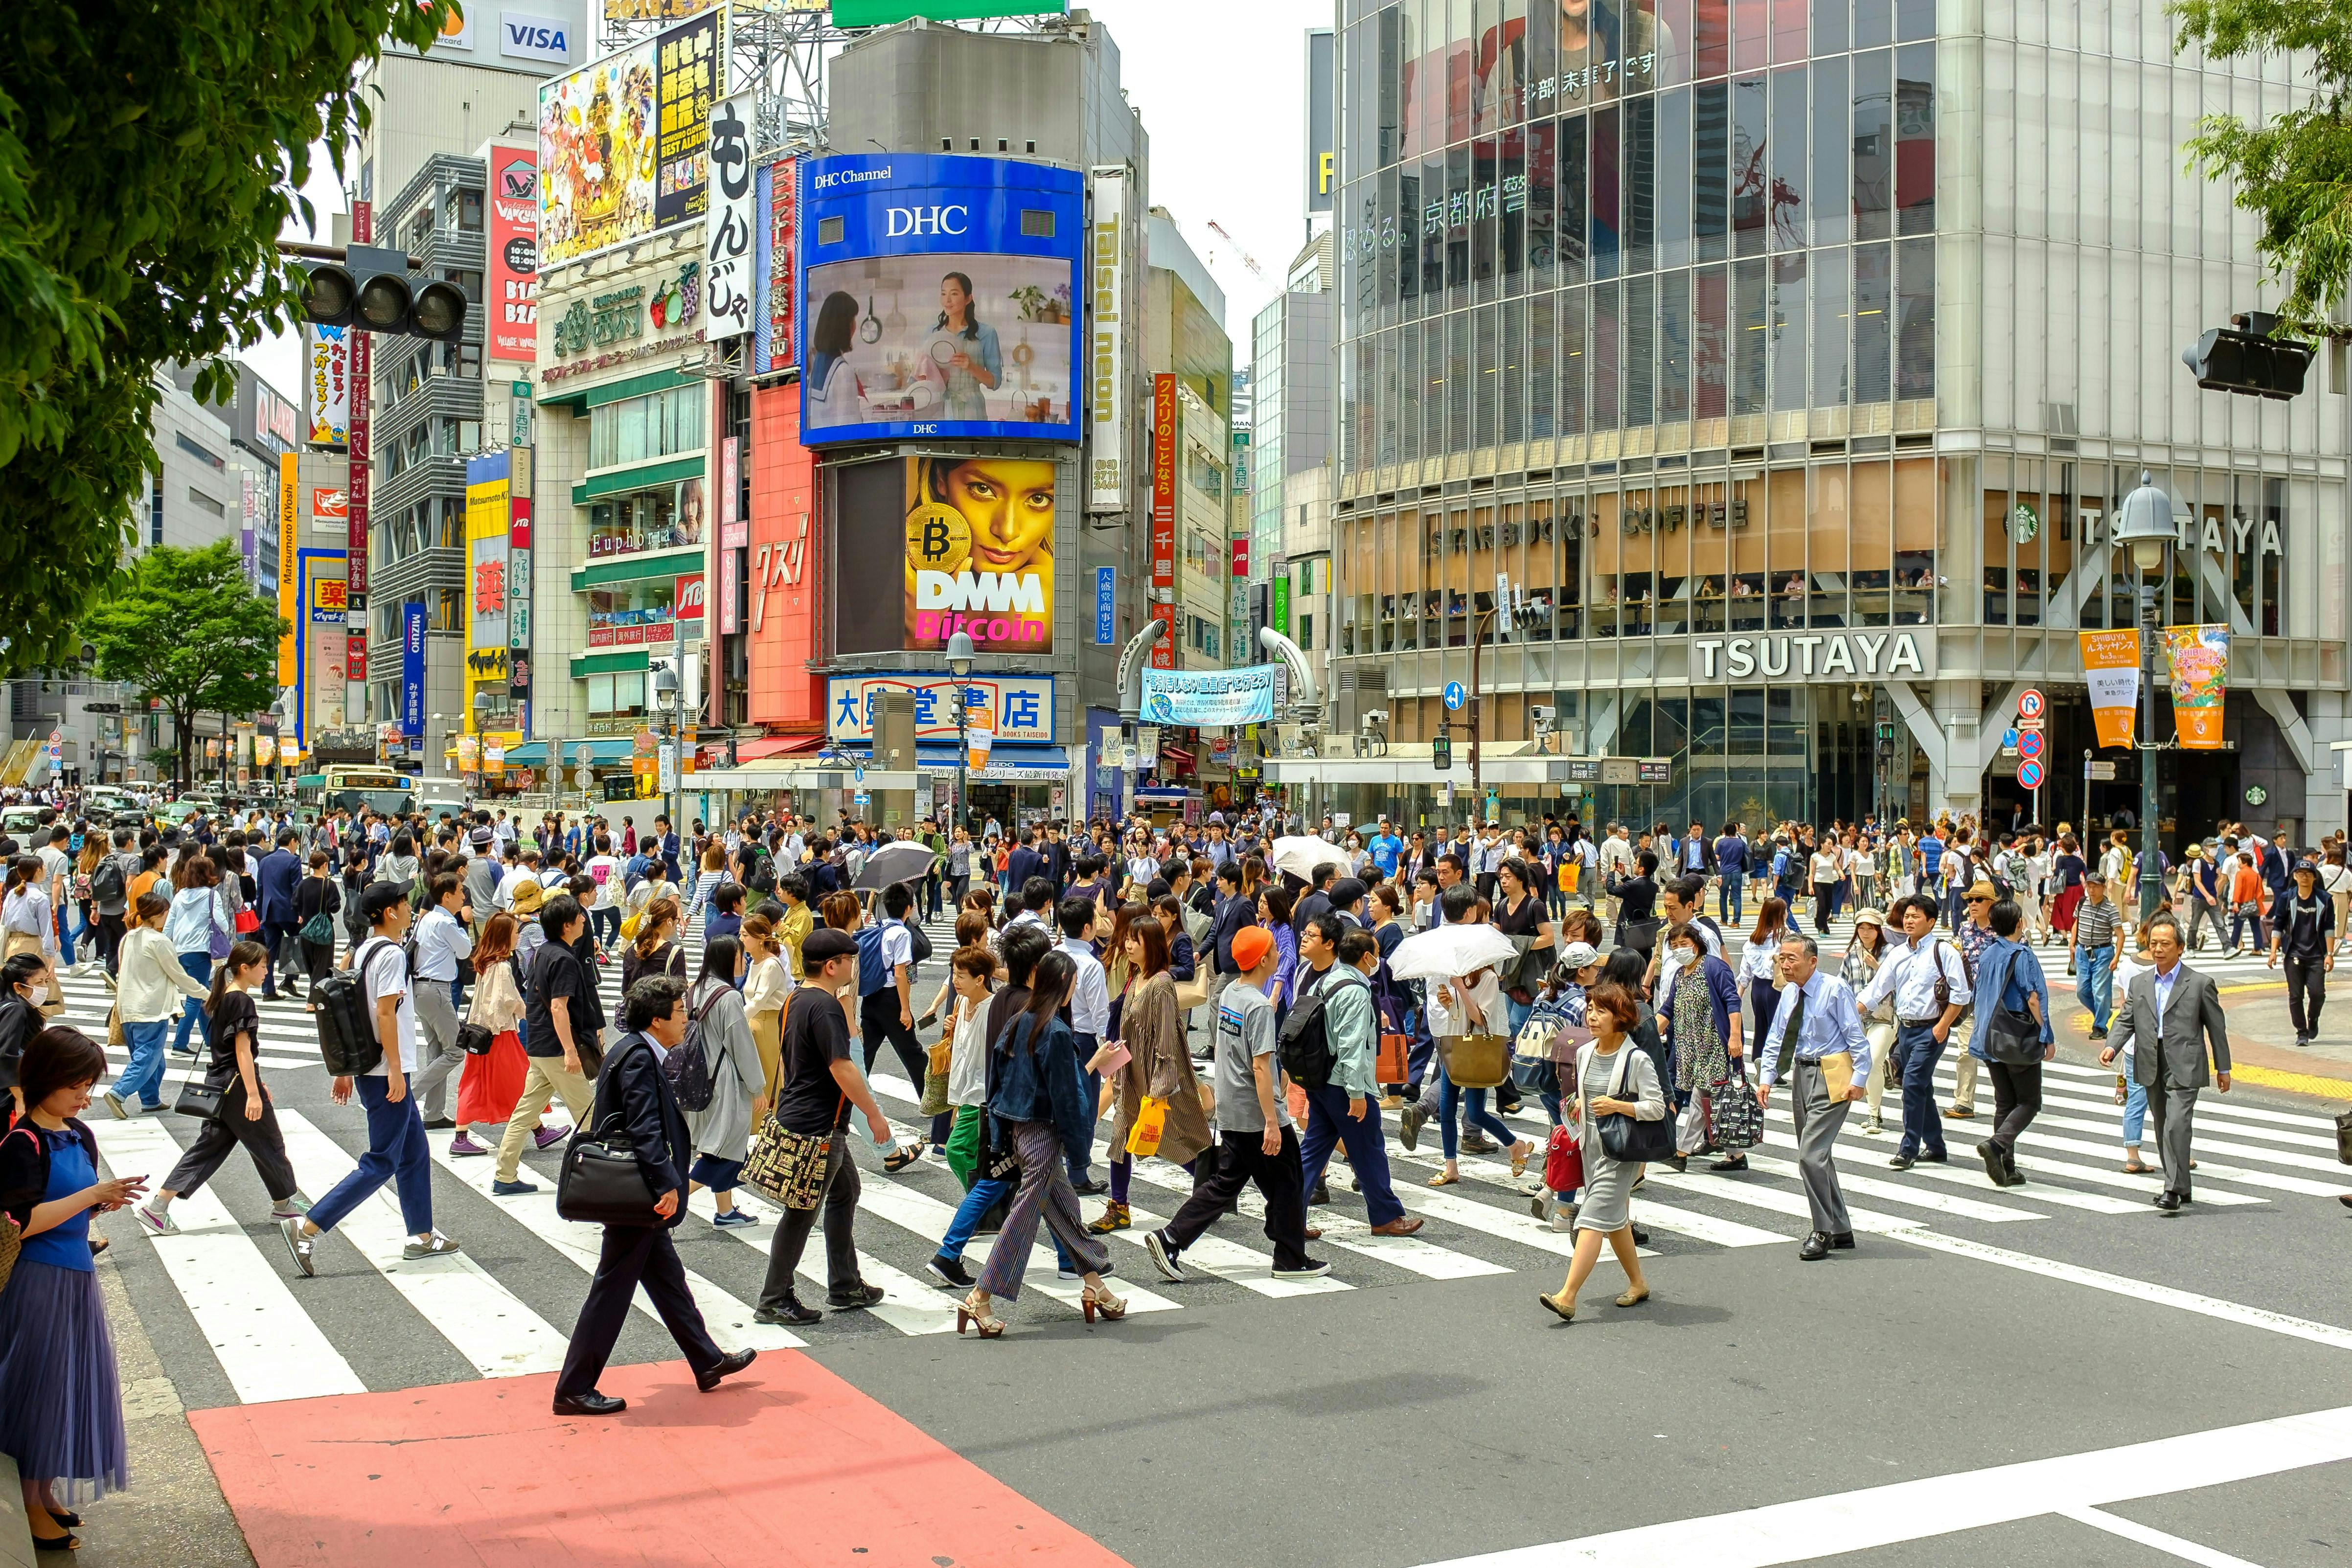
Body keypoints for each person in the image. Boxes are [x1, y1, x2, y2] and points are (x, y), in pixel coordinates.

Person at [550, 974, 757, 1416]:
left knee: (666, 1278)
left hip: (635, 1186)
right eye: (681, 1011)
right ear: (658, 1018)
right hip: (638, 1191)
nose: (687, 1017)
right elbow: (643, 1127)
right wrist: (666, 1182)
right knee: (611, 1289)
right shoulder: (640, 1057)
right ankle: (574, 1386)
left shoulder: (633, 1049)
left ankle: (706, 1359)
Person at [0, 1028, 139, 1551]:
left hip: (77, 1276)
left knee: (61, 1388)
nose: (84, 1096)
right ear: (44, 1081)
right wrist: (92, 1193)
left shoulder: (78, 1131)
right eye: (76, 1085)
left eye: (88, 1085)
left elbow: (76, 1204)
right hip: (38, 1281)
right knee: (37, 1391)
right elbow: (22, 1222)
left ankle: (44, 1492)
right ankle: (30, 1503)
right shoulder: (21, 1142)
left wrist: (104, 1201)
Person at [283, 883, 461, 1273]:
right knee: (381, 1160)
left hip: (370, 1066)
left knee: (414, 1153)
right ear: (388, 913)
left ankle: (422, 1235)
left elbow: (347, 1009)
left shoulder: (363, 949)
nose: (408, 907)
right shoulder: (393, 954)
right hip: (385, 1069)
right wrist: (396, 1069)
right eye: (402, 903)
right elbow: (383, 1014)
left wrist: (349, 1069)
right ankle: (309, 1226)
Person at [954, 953, 1129, 1336]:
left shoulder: (1020, 1021)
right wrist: (1081, 1151)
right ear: (1063, 982)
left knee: (1063, 1209)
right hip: (1045, 1137)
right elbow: (1068, 1099)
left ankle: (1095, 1286)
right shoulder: (1057, 1032)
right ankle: (980, 1295)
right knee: (1024, 1216)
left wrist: (1001, 1135)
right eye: (1074, 982)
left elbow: (996, 1083)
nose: (1075, 989)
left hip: (1017, 1132)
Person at [1143, 926, 1330, 1283]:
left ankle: (1172, 1237)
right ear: (1264, 960)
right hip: (1257, 1114)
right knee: (1288, 1181)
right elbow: (1261, 1066)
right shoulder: (1259, 1006)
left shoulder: (1230, 992)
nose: (1278, 953)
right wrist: (1273, 1121)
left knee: (1227, 1183)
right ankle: (1289, 1258)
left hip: (1232, 1107)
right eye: (1274, 949)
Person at [753, 928, 894, 1327]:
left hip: (802, 1113)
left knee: (845, 1190)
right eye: (849, 961)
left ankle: (845, 1283)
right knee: (801, 1211)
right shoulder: (825, 1005)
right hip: (818, 1125)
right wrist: (873, 1112)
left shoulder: (797, 998)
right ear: (832, 965)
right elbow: (841, 1065)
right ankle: (774, 1297)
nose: (853, 967)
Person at [134, 941, 310, 1231]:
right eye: (263, 966)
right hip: (237, 1086)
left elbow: (230, 1050)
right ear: (245, 968)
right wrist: (253, 1093)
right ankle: (283, 1206)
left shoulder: (224, 997)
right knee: (269, 1142)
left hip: (222, 1082)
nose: (267, 972)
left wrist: (256, 1082)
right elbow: (242, 1051)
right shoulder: (241, 1000)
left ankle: (158, 1207)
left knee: (210, 1147)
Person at [1536, 980, 1661, 1322]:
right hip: (1590, 1146)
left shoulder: (1636, 1059)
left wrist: (1620, 1107)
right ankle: (1637, 1283)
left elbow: (1657, 1107)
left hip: (1621, 1152)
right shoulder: (1585, 1052)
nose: (1591, 1016)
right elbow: (1585, 1097)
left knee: (1591, 1218)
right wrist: (1577, 1108)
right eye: (1590, 1008)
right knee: (1615, 1220)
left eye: (1600, 1011)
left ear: (1620, 1016)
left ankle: (1568, 1295)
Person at [1295, 920, 1422, 1236]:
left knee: (1313, 1149)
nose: (1379, 960)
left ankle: (1287, 1213)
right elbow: (1351, 1045)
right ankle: (1385, 1216)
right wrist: (1356, 1094)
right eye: (1376, 954)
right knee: (1368, 1149)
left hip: (1320, 1079)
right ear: (1366, 957)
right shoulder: (1355, 991)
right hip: (1344, 1084)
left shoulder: (1326, 981)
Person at [2100, 915, 2233, 1212]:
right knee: (2162, 1126)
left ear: (2180, 948)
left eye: (2166, 944)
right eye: (2154, 943)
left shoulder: (2199, 984)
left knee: (2176, 1125)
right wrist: (2112, 1046)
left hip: (2185, 1062)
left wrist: (2223, 1068)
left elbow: (2217, 1029)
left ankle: (2172, 1189)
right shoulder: (2140, 982)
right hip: (2149, 1059)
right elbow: (2126, 1019)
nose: (2158, 949)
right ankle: (2182, 1186)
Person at [1093, 914, 1211, 1234]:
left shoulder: (1160, 984)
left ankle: (1215, 1188)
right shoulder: (1137, 975)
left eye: (1136, 940)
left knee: (1173, 1140)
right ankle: (1118, 1207)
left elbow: (1167, 1039)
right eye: (1127, 938)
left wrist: (1160, 1087)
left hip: (1156, 1081)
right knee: (1121, 1138)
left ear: (1153, 945)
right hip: (1131, 1077)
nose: (1128, 944)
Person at [1758, 933, 1873, 1259]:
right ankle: (1841, 1228)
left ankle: (1822, 1229)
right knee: (1818, 1154)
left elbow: (1856, 1036)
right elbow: (1776, 1036)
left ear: (1812, 960)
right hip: (1801, 1073)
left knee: (1810, 1156)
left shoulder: (1834, 989)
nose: (1785, 964)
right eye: (1782, 958)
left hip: (1833, 1074)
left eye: (1791, 958)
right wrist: (1766, 1078)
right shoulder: (1789, 992)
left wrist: (1859, 1078)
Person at [487, 896, 599, 1196]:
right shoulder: (564, 959)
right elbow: (559, 1008)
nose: (584, 921)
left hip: (538, 1043)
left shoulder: (544, 952)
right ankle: (599, 1178)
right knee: (589, 1114)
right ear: (567, 926)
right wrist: (571, 1051)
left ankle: (505, 1175)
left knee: (525, 1112)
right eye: (579, 917)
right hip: (556, 1048)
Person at [1857, 895, 1969, 1170]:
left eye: (1916, 916)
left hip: (1932, 1030)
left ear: (1931, 922)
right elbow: (1876, 990)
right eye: (1907, 916)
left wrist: (1942, 1027)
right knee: (1921, 1088)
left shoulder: (1944, 952)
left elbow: (1961, 994)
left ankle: (1908, 1149)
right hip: (1904, 1031)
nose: (1909, 921)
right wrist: (1851, 1013)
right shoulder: (1899, 954)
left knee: (1911, 1086)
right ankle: (1937, 1147)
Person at [1965, 899, 2053, 1188]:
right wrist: (2047, 1035)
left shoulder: (1988, 954)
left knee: (2004, 1102)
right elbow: (2034, 998)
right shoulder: (2022, 955)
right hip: (2015, 1037)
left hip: (1988, 1036)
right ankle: (1997, 1145)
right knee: (2029, 1101)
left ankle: (2007, 1167)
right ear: (2019, 924)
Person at [100, 891, 208, 1119]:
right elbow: (179, 975)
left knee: (153, 1060)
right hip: (151, 1007)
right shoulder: (159, 941)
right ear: (159, 914)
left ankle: (150, 1100)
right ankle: (119, 1092)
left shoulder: (129, 937)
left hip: (128, 1007)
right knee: (148, 1056)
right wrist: (206, 994)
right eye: (166, 913)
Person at [683, 937, 766, 1228]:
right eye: (740, 955)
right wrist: (757, 1087)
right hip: (724, 1080)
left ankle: (726, 1211)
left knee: (721, 1144)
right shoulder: (729, 997)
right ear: (729, 959)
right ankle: (669, 1203)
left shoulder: (695, 989)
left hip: (698, 1077)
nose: (744, 960)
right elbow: (741, 1045)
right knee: (726, 1147)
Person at [408, 873, 475, 1131]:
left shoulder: (427, 919)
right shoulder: (446, 923)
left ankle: (434, 1113)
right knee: (456, 1050)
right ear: (447, 896)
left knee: (437, 1051)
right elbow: (465, 951)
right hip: (436, 990)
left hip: (422, 988)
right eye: (460, 892)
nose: (463, 897)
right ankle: (409, 1097)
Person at [1943, 881, 2000, 1120]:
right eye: (1970, 900)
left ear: (1991, 904)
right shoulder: (1964, 931)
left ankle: (2008, 1100)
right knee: (1966, 1051)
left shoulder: (2002, 932)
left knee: (1998, 1052)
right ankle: (1964, 1102)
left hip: (1997, 1002)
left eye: (1979, 900)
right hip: (1969, 1000)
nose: (1973, 904)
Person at [1842, 909, 1899, 1135]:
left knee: (1873, 1061)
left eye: (1870, 928)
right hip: (1857, 1017)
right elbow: (1843, 984)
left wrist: (1877, 967)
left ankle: (1873, 1115)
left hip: (1884, 1016)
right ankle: (1877, 1101)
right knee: (1862, 1063)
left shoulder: (1891, 952)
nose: (1865, 932)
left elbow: (1897, 983)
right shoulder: (1851, 954)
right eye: (1861, 928)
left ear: (1879, 930)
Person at [2267, 860, 2336, 1046]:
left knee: (2317, 993)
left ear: (2315, 877)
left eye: (2308, 874)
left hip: (2317, 955)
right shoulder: (2287, 898)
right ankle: (2302, 1032)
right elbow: (2278, 925)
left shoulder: (2325, 899)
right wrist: (2273, 952)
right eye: (2300, 873)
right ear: (2295, 876)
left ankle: (2313, 1019)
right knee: (2295, 995)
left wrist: (2329, 954)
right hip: (2293, 954)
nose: (2304, 877)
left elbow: (2329, 928)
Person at [740, 912, 792, 1115]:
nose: (741, 939)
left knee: (770, 1076)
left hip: (770, 1024)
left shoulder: (770, 965)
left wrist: (736, 1019)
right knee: (758, 1075)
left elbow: (759, 1001)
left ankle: (774, 1120)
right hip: (755, 1022)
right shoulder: (755, 962)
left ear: (761, 938)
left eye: (745, 935)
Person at [2071, 872, 2121, 1039]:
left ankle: (2100, 1027)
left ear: (2103, 888)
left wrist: (2116, 958)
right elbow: (2076, 923)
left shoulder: (2110, 908)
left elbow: (2120, 935)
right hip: (2082, 951)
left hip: (2103, 952)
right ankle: (2103, 1014)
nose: (2091, 890)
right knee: (2082, 991)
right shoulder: (2082, 902)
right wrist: (2072, 943)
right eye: (2089, 886)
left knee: (2101, 991)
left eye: (2095, 887)